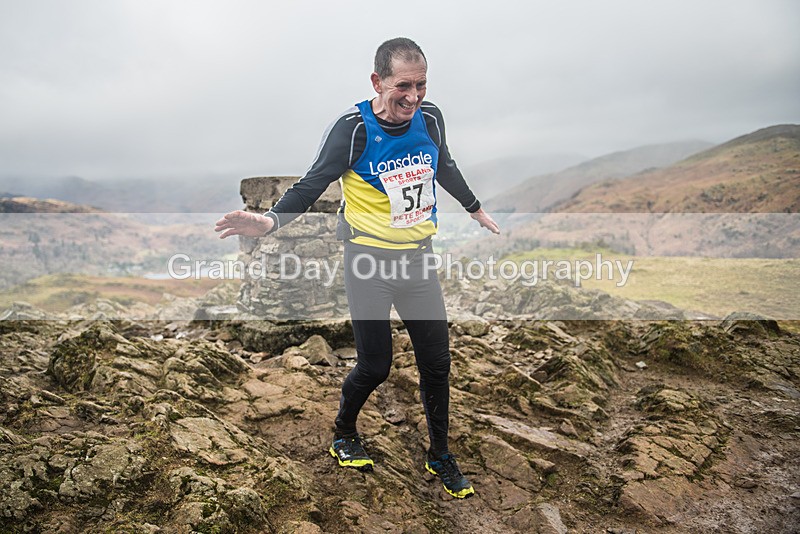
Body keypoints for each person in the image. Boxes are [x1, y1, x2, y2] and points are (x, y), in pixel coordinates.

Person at [215, 37, 499, 499]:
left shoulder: (430, 118)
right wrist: (267, 222)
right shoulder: (353, 130)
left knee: (437, 363)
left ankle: (440, 455)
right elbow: (311, 185)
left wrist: (474, 207)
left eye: (421, 84)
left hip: (418, 261)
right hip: (368, 262)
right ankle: (344, 431)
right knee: (376, 365)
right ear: (377, 81)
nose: (413, 96)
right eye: (402, 86)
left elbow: (441, 163)